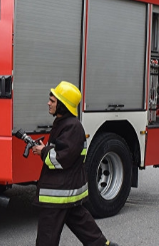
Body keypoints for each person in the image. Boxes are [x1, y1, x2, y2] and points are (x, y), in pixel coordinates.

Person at [31, 81, 118, 246]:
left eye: (53, 100)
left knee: (46, 238)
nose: (48, 103)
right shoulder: (66, 124)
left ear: (62, 105)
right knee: (84, 226)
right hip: (66, 190)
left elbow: (62, 158)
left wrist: (43, 151)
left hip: (58, 193)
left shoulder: (72, 127)